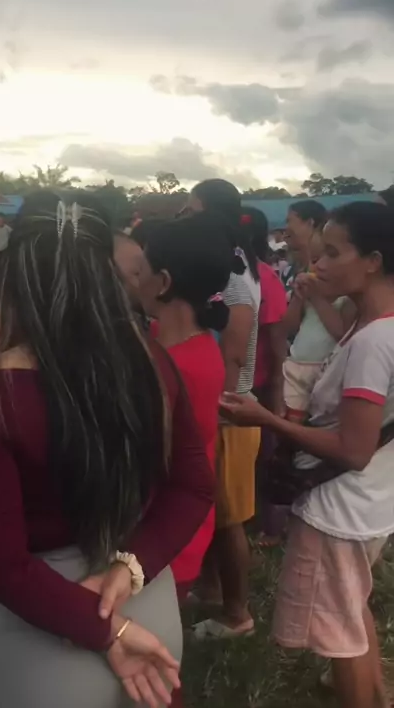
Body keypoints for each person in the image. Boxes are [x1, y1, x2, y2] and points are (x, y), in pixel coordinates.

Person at [0, 189, 214, 708]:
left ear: (14, 278)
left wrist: (103, 625)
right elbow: (193, 487)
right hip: (142, 606)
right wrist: (129, 570)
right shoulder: (151, 363)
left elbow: (0, 566)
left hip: (38, 631)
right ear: (108, 272)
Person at [220, 201, 394, 708]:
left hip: (341, 507)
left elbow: (353, 449)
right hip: (370, 500)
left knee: (339, 636)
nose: (319, 263)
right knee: (351, 609)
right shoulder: (374, 327)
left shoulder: (373, 341)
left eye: (334, 253)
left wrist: (268, 420)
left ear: (373, 262)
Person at [139, 214, 231, 599]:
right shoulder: (172, 341)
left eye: (139, 271)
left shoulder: (183, 366)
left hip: (165, 538)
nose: (134, 281)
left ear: (163, 282)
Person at [185, 179, 261, 639]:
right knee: (216, 511)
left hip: (230, 413)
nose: (186, 219)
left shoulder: (232, 280)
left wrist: (219, 409)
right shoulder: (234, 267)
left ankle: (238, 613)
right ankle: (211, 589)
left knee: (230, 520)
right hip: (226, 410)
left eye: (192, 211)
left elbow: (232, 356)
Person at [242, 208, 287, 546]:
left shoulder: (264, 278)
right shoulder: (233, 273)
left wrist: (277, 391)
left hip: (258, 382)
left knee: (266, 455)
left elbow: (276, 341)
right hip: (239, 381)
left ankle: (271, 525)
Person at [283, 245, 356, 430]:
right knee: (291, 420)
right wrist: (298, 298)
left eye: (331, 258)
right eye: (314, 260)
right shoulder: (307, 295)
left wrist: (317, 298)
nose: (319, 266)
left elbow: (341, 333)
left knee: (317, 421)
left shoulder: (346, 300)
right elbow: (289, 327)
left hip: (325, 370)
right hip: (296, 366)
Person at [281, 200, 327, 299]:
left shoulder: (326, 271)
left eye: (289, 221)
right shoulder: (290, 270)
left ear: (310, 223)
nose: (286, 228)